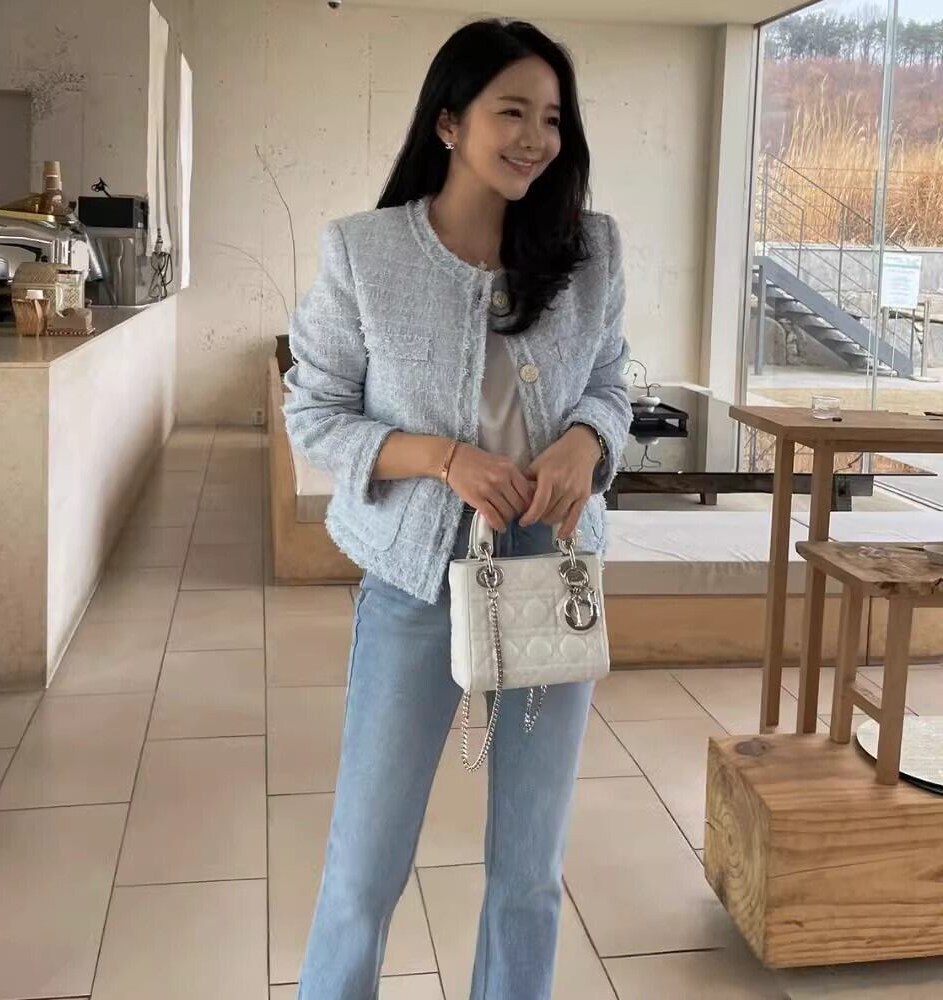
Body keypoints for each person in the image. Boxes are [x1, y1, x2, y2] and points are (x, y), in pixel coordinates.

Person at [283, 17, 631, 1000]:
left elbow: (612, 381)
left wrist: (586, 438)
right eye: (511, 111)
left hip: (554, 572)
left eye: (552, 118)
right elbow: (314, 412)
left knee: (531, 867)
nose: (535, 138)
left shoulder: (590, 252)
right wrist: (443, 460)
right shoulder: (366, 252)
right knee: (365, 864)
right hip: (415, 577)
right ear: (449, 121)